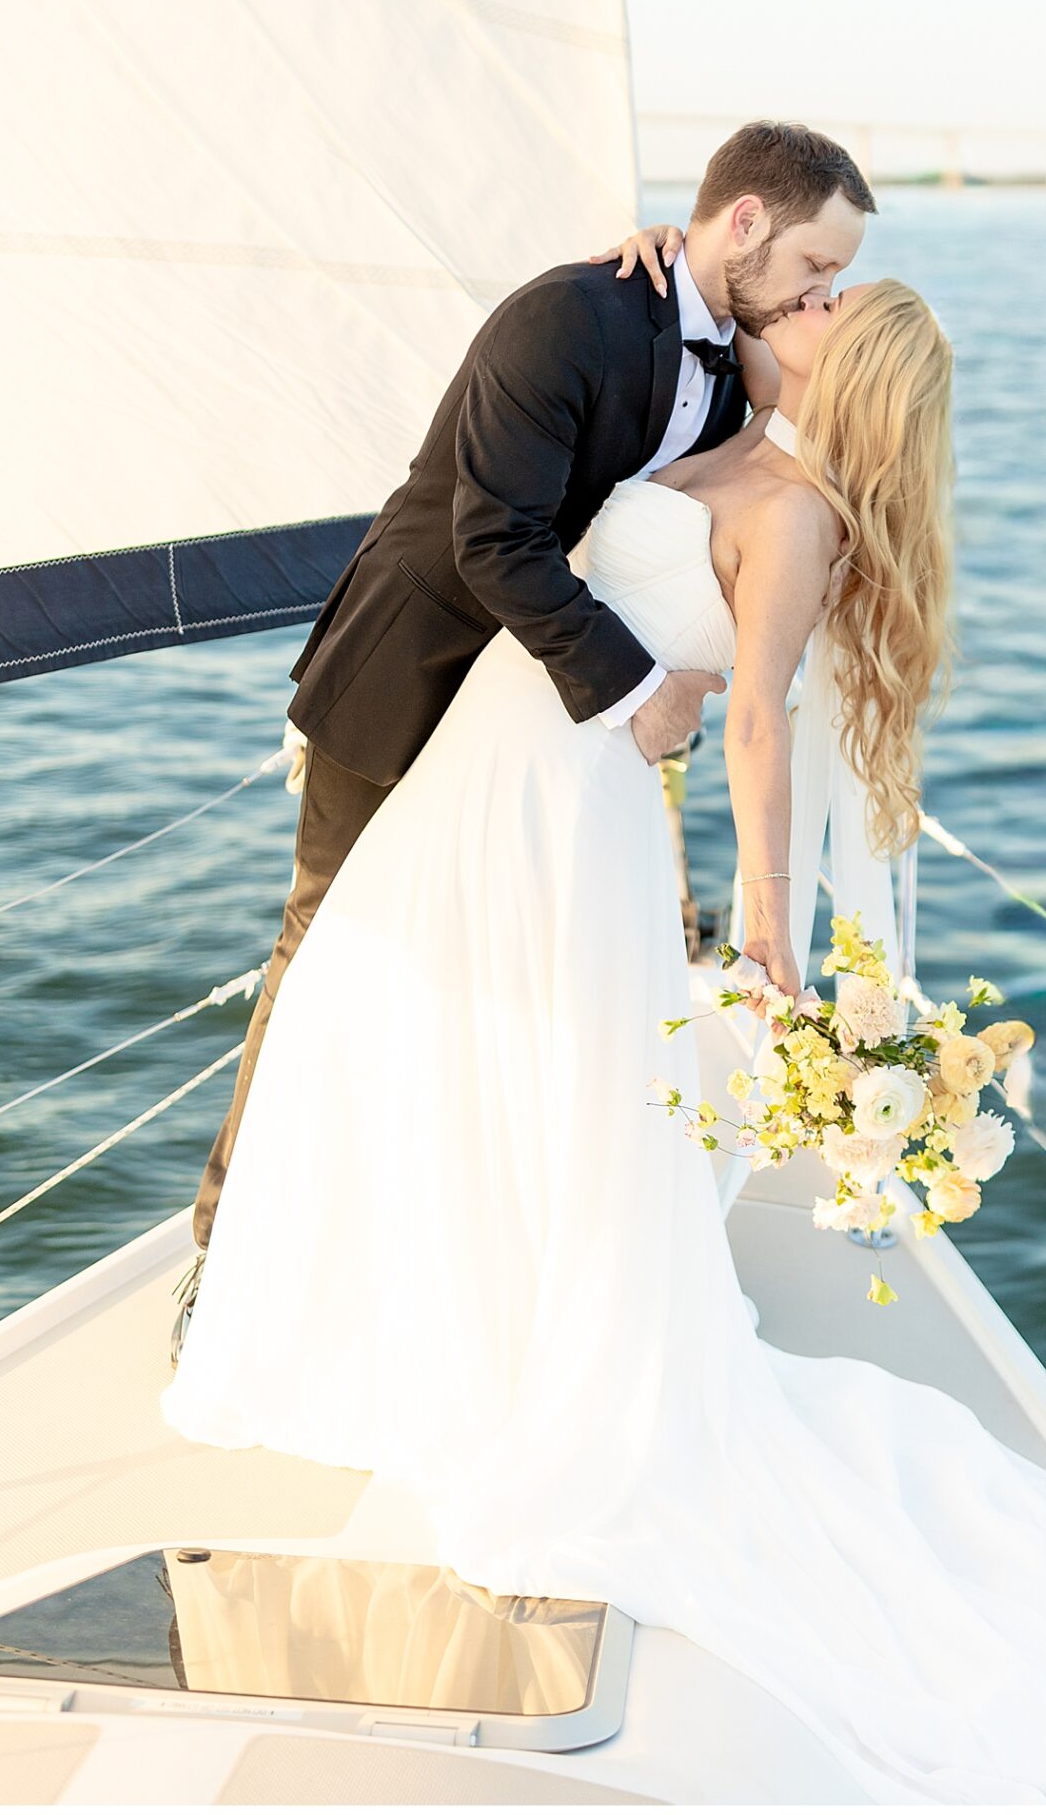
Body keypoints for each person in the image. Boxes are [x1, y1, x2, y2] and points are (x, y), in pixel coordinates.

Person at [160, 269, 1046, 1803]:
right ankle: (442, 1306)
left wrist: (767, 918)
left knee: (548, 1078)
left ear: (857, 375)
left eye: (835, 308)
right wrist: (666, 257)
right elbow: (646, 367)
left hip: (572, 800)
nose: (813, 303)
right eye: (814, 285)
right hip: (487, 765)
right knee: (410, 1037)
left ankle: (522, 1352)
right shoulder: (716, 419)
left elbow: (763, 718)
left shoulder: (795, 518)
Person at [171, 120, 875, 1359]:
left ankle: (434, 1248)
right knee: (329, 942)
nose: (822, 291)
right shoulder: (570, 316)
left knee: (499, 981)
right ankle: (227, 1253)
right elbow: (493, 536)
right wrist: (641, 688)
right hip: (419, 673)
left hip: (545, 734)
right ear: (748, 222)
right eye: (816, 263)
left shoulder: (730, 363)